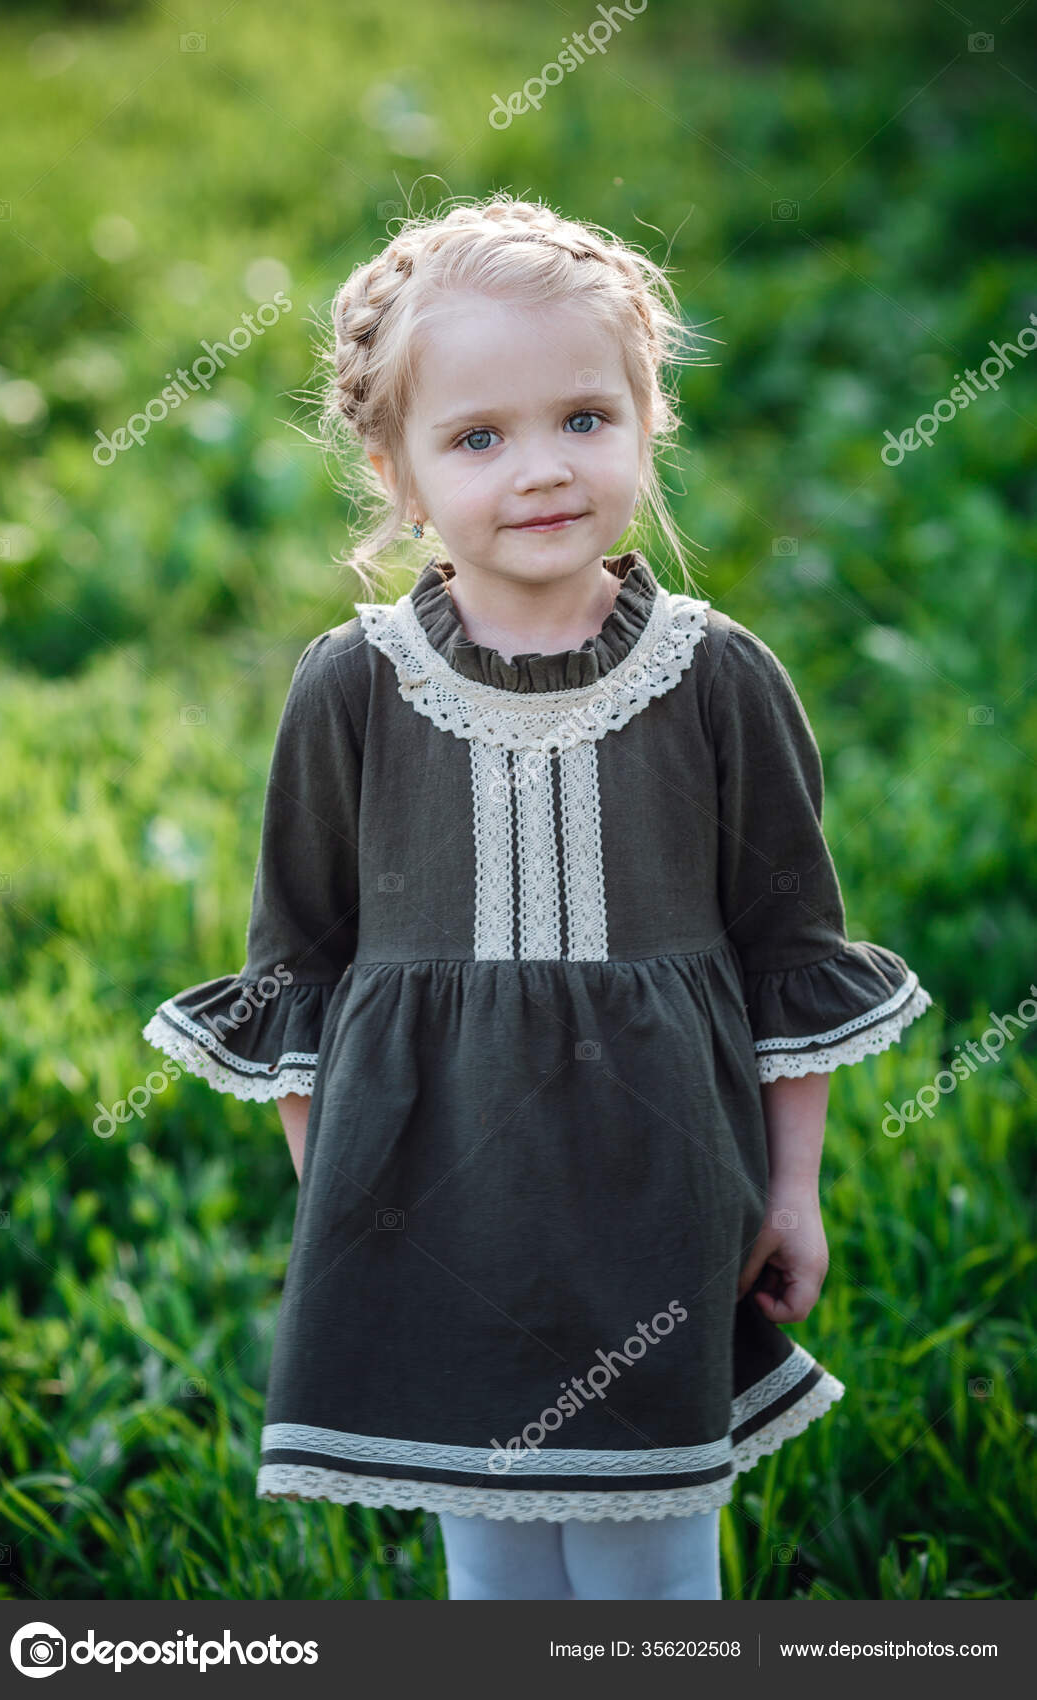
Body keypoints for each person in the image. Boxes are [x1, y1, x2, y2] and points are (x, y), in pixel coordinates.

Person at [141, 194, 932, 1601]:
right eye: (478, 439)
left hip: (659, 1200)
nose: (542, 470)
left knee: (650, 1573)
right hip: (439, 1210)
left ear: (649, 421)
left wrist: (794, 1192)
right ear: (397, 472)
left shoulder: (716, 677)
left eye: (585, 418)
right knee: (494, 1576)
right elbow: (300, 973)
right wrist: (344, 1212)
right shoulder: (355, 688)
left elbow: (790, 953)